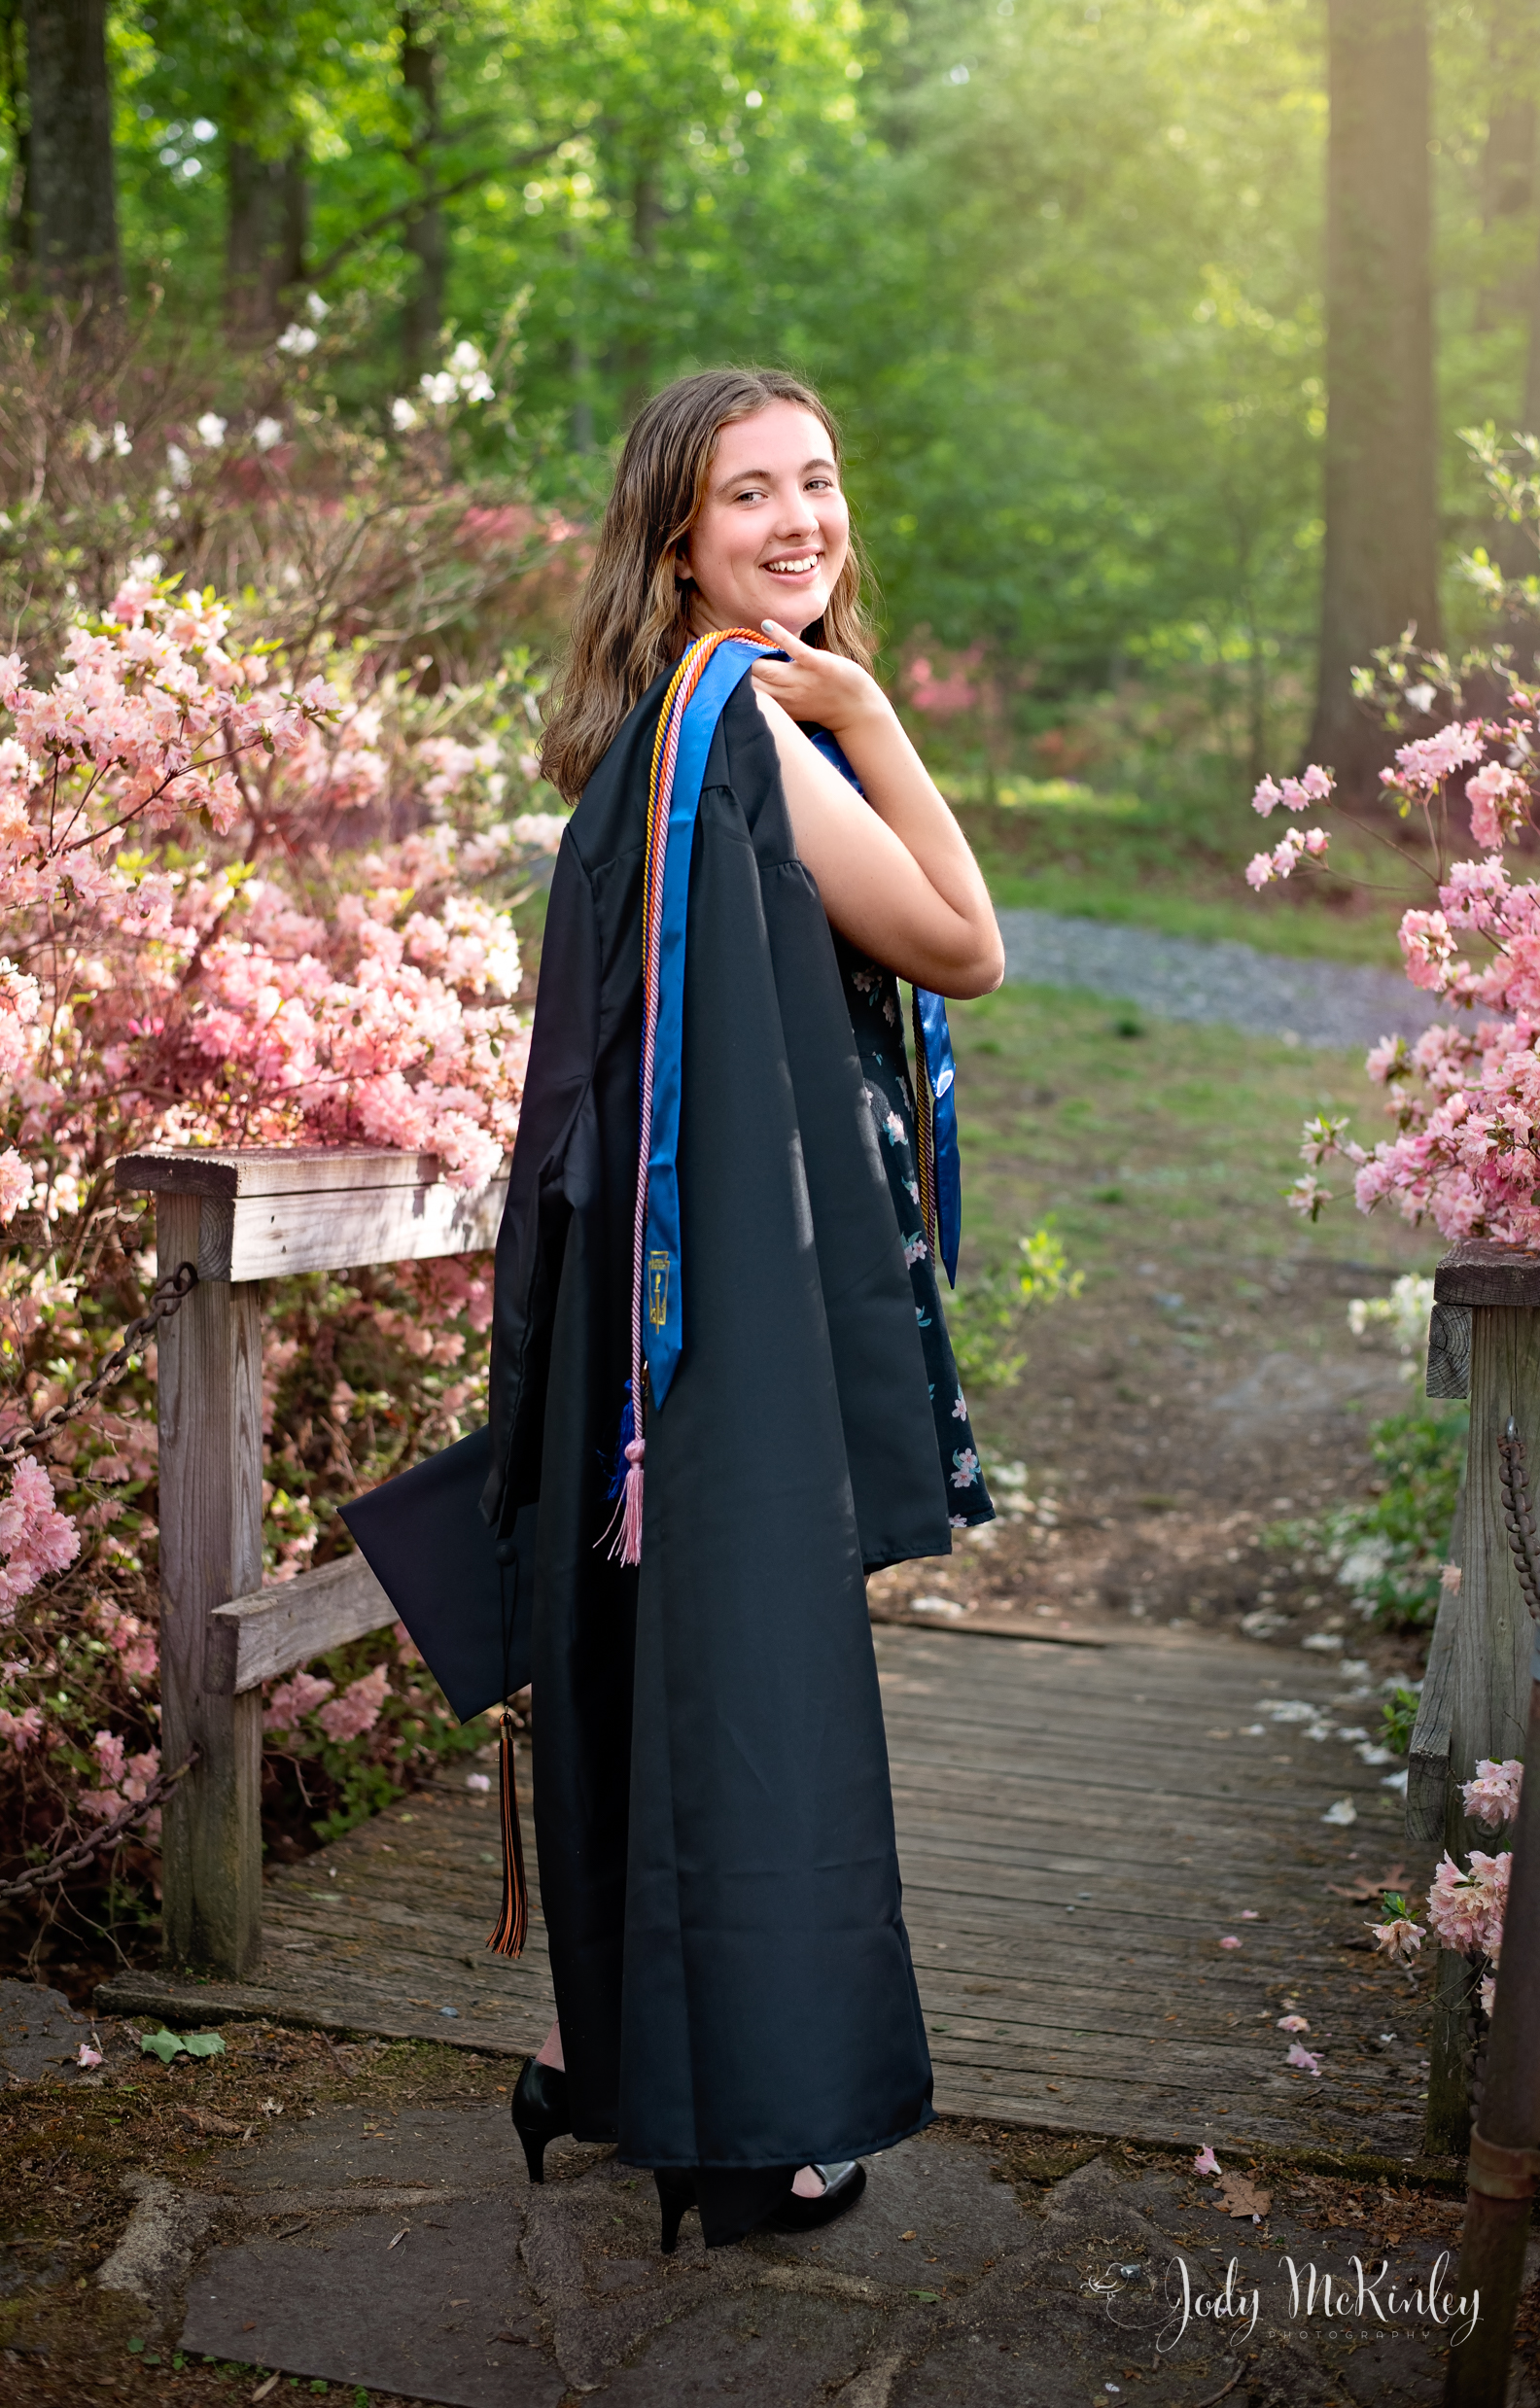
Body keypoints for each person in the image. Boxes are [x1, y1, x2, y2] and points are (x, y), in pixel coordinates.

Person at [360, 366, 1003, 2255]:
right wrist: (871, 714)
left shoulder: (651, 738)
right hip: (717, 1331)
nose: (800, 520)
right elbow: (964, 942)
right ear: (675, 544)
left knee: (648, 1674)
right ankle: (762, 2126)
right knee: (751, 1688)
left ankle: (611, 2064)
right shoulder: (750, 728)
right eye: (749, 494)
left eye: (819, 480)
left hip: (635, 1322)